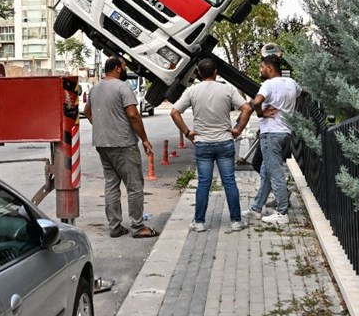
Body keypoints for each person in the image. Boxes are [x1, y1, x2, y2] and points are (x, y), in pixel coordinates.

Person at [169, 58, 252, 233]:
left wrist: (187, 132)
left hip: (203, 143)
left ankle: (199, 222)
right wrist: (237, 129)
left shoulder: (192, 91)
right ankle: (236, 221)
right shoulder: (227, 89)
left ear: (198, 73)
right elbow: (247, 108)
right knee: (229, 181)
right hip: (224, 142)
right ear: (216, 72)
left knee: (203, 183)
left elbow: (175, 112)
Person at [83, 56, 158, 239]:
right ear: (117, 68)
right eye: (124, 66)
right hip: (123, 144)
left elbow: (87, 112)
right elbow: (133, 115)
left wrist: (102, 128)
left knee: (111, 185)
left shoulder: (95, 89)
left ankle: (115, 226)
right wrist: (145, 139)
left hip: (103, 144)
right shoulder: (122, 87)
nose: (125, 69)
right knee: (134, 186)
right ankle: (138, 226)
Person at [243, 54, 300, 226]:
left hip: (271, 134)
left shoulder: (268, 84)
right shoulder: (291, 83)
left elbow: (256, 101)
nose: (260, 70)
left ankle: (282, 212)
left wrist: (261, 112)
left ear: (269, 68)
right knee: (267, 172)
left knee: (275, 173)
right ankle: (256, 209)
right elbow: (303, 93)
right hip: (285, 133)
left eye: (261, 67)